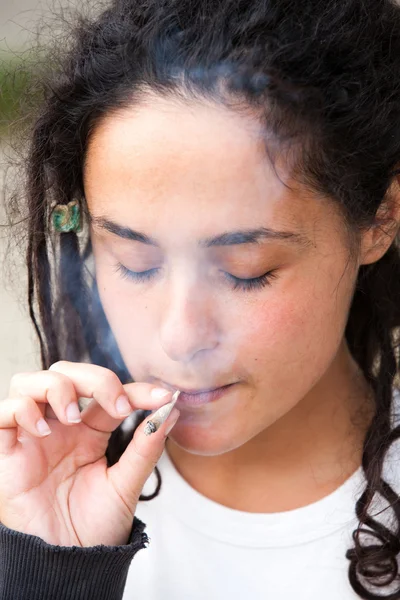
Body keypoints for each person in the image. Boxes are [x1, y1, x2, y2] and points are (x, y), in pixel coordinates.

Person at [2, 0, 400, 598]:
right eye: (136, 263)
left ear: (380, 218)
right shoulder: (32, 491)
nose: (179, 336)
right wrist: (49, 570)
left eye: (245, 271)